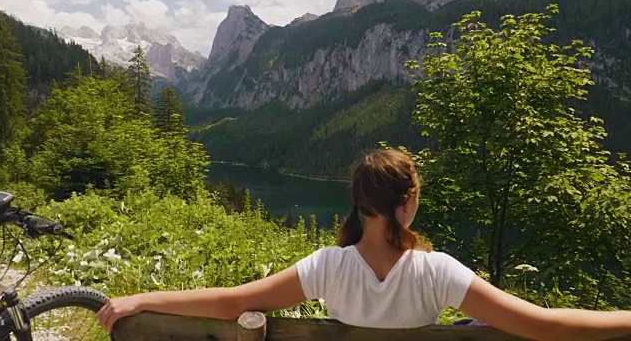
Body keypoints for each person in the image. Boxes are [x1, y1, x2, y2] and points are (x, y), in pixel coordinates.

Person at [97, 148, 631, 340]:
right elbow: (543, 324)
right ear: (408, 202)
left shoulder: (328, 267)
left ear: (359, 203)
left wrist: (143, 299)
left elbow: (235, 301)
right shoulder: (437, 272)